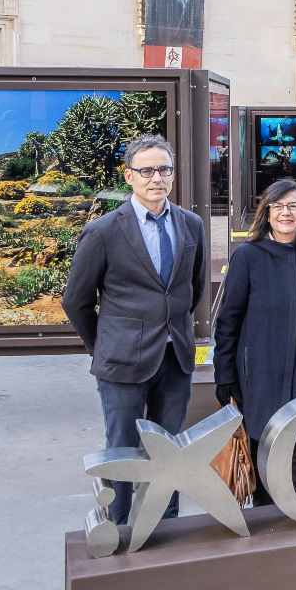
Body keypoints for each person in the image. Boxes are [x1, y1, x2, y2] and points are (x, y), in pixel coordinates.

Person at [62, 134, 205, 524]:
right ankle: (120, 529)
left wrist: (173, 329)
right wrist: (103, 345)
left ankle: (165, 527)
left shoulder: (191, 225)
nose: (156, 177)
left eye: (164, 169)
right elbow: (75, 300)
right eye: (147, 170)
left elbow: (191, 289)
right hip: (122, 360)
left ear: (173, 175)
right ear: (129, 177)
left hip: (174, 357)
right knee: (122, 451)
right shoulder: (104, 231)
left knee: (169, 449)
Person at [212, 179, 296, 505]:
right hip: (257, 380)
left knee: (295, 457)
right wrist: (225, 375)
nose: (286, 213)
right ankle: (263, 532)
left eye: (293, 207)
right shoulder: (247, 257)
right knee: (261, 456)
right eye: (278, 206)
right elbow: (227, 323)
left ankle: (291, 530)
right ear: (267, 212)